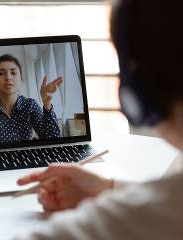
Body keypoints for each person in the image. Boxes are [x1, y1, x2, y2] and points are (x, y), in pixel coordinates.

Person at [16, 0, 183, 239]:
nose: (8, 78)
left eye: (13, 72)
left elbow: (160, 208)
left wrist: (46, 104)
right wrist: (110, 189)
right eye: (2, 73)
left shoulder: (32, 105)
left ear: (139, 91)